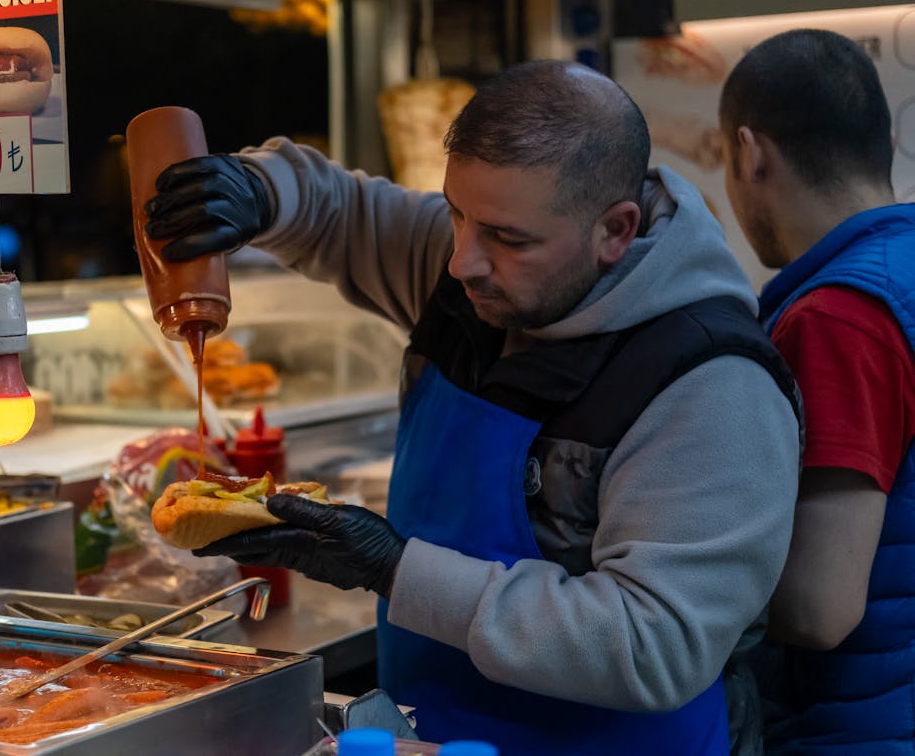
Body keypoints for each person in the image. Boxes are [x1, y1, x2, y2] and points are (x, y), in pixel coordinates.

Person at [141, 60, 802, 754]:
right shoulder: (475, 263)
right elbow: (338, 211)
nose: (461, 261)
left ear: (615, 229)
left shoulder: (713, 383)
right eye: (456, 213)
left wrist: (396, 568)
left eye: (508, 239)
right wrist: (257, 189)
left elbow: (653, 643)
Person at [719, 28, 915, 753]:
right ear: (886, 139)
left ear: (749, 152)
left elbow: (819, 605)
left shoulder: (840, 317)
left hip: (861, 731)